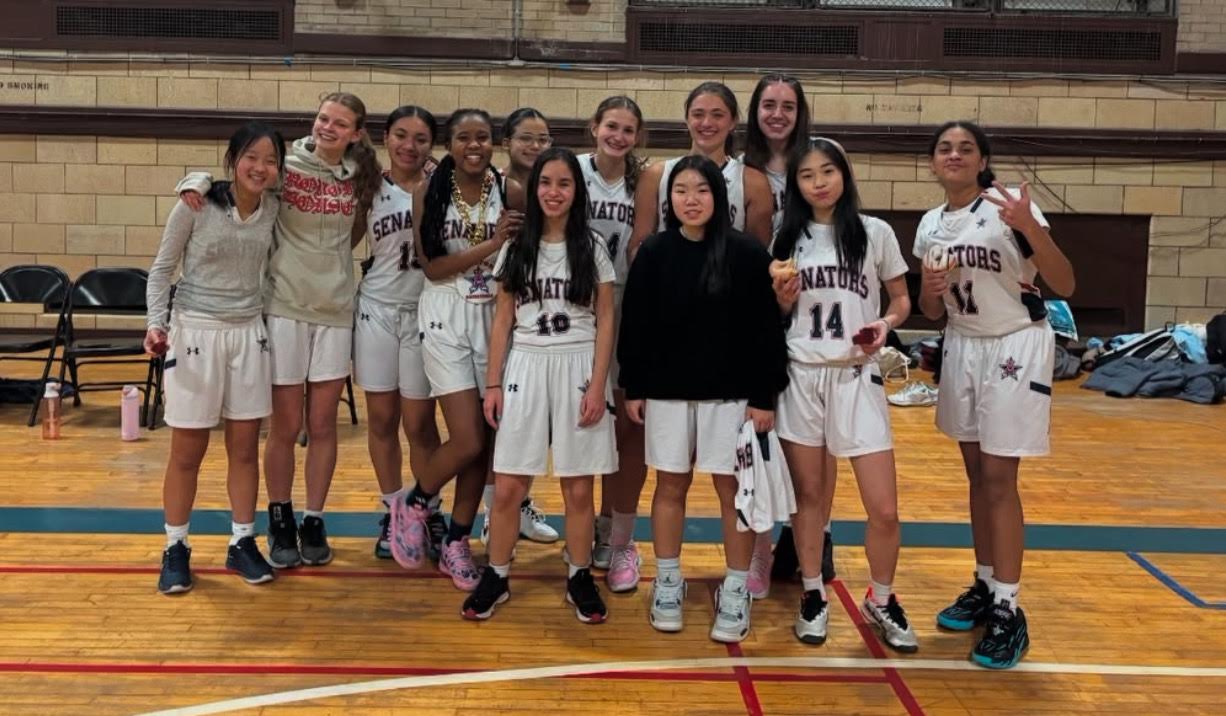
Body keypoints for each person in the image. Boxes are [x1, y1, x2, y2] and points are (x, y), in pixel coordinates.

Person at [177, 92, 383, 569]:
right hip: (285, 305)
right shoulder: (286, 163)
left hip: (334, 309)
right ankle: (280, 514)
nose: (327, 127)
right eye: (322, 118)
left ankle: (314, 516)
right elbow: (242, 175)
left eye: (339, 123)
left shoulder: (360, 174)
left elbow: (354, 231)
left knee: (324, 425)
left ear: (355, 132)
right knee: (287, 426)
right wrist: (196, 180)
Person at [917, 121, 1075, 669]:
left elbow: (1066, 282)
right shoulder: (931, 223)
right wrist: (930, 291)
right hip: (962, 345)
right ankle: (985, 585)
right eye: (944, 149)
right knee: (976, 476)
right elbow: (931, 311)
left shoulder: (1008, 206)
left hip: (1015, 344)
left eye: (965, 148)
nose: (954, 155)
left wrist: (1032, 225)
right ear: (933, 163)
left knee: (1001, 479)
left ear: (982, 159)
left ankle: (1009, 609)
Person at [619, 155, 788, 643]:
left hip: (730, 398)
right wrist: (635, 385)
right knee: (669, 487)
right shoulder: (653, 252)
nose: (691, 200)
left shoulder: (747, 254)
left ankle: (735, 588)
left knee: (731, 494)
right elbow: (637, 327)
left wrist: (763, 396)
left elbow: (764, 333)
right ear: (668, 199)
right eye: (681, 191)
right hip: (669, 397)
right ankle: (667, 579)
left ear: (720, 196)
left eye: (702, 190)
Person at [771, 139, 916, 651]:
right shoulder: (786, 235)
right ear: (797, 186)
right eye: (807, 175)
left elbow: (901, 299)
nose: (819, 182)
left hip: (857, 375)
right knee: (811, 499)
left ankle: (881, 597)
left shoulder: (874, 233)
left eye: (827, 171)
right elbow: (776, 312)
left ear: (844, 175)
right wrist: (781, 302)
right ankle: (813, 593)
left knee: (884, 509)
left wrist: (884, 323)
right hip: (802, 375)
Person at [463, 147, 617, 623]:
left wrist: (597, 385)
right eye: (546, 183)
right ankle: (498, 573)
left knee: (577, 490)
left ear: (577, 191)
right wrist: (492, 383)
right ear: (534, 190)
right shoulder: (516, 246)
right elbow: (502, 318)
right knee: (508, 487)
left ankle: (578, 576)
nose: (554, 192)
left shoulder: (591, 246)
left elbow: (608, 318)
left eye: (564, 184)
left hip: (576, 365)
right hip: (525, 365)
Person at [149, 122, 285, 593]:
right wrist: (155, 325)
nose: (260, 167)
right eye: (251, 157)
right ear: (233, 160)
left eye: (270, 160)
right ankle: (175, 547)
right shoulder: (194, 205)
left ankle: (242, 542)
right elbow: (161, 271)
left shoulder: (274, 210)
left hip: (249, 334)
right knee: (188, 452)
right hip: (195, 333)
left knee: (245, 451)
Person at [394, 108, 525, 591]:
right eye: (465, 138)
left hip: (493, 315)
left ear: (495, 142)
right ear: (450, 143)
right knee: (466, 438)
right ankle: (416, 499)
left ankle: (457, 540)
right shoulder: (428, 191)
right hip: (445, 313)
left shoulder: (510, 190)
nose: (475, 145)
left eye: (484, 137)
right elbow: (432, 267)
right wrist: (490, 246)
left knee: (485, 445)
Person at [743, 73, 838, 594]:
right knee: (765, 431)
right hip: (759, 300)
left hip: (814, 306)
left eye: (788, 105)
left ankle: (815, 534)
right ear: (755, 111)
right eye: (768, 105)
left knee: (818, 444)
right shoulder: (742, 168)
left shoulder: (821, 157)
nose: (777, 114)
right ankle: (762, 544)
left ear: (802, 112)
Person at [351, 106, 449, 563]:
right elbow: (343, 239)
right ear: (385, 138)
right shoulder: (368, 186)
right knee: (382, 420)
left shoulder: (444, 188)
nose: (410, 146)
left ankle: (425, 507)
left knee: (421, 425)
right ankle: (393, 511)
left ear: (433, 144)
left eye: (421, 138)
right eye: (402, 136)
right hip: (377, 309)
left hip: (425, 311)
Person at [477, 106, 558, 548]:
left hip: (536, 316)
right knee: (500, 423)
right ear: (508, 142)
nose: (535, 146)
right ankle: (497, 509)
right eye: (526, 138)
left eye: (543, 139)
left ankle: (518, 502)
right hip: (485, 308)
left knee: (531, 424)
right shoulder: (491, 186)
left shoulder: (553, 187)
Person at [580, 95, 647, 592]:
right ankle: (582, 522)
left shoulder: (643, 181)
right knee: (584, 417)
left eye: (628, 129)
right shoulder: (571, 171)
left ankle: (612, 527)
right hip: (576, 304)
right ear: (594, 127)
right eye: (611, 126)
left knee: (627, 422)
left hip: (627, 303)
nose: (618, 136)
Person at [630, 81, 774, 252]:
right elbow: (638, 245)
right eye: (698, 114)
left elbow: (757, 255)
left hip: (726, 276)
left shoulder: (753, 182)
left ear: (733, 121)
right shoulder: (656, 175)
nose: (706, 123)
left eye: (717, 115)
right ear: (687, 119)